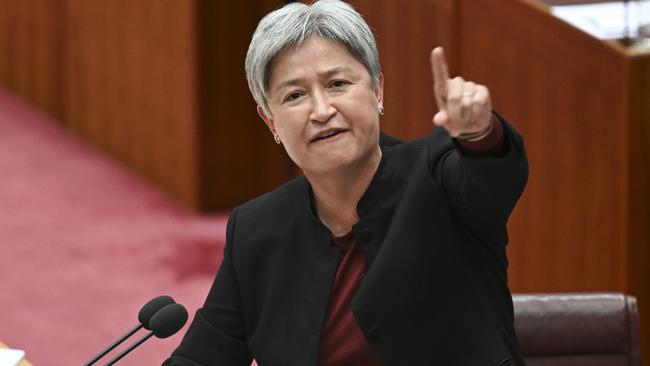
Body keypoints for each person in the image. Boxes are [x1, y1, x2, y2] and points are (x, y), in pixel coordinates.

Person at [164, 0, 528, 365]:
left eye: (337, 84)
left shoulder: (440, 176)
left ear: (377, 91)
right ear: (271, 122)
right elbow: (201, 358)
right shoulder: (256, 230)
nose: (321, 111)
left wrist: (479, 133)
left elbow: (491, 176)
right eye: (295, 96)